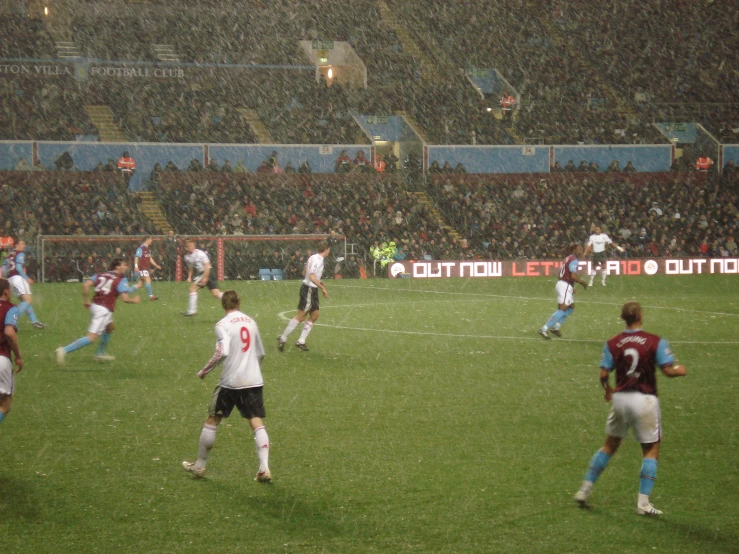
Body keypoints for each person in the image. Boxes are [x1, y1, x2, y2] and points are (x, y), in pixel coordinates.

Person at [574, 302, 687, 515]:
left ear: (623, 318)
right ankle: (643, 503)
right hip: (644, 399)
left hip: (621, 399)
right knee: (651, 449)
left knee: (609, 446)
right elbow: (668, 371)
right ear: (641, 316)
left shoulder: (613, 342)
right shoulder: (654, 341)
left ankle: (584, 490)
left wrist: (608, 390)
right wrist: (680, 370)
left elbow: (603, 374)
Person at [182, 290, 270, 481]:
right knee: (256, 421)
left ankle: (200, 465)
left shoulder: (222, 325)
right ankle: (264, 468)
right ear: (239, 303)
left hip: (231, 381)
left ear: (223, 305)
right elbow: (260, 353)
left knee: (213, 419)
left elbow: (222, 351)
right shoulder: (251, 322)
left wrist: (204, 371)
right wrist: (253, 370)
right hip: (253, 380)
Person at [56, 258, 141, 364]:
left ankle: (100, 353)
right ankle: (63, 350)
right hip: (103, 309)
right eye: (124, 265)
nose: (126, 267)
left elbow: (86, 285)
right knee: (91, 338)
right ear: (117, 267)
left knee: (110, 327)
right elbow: (125, 298)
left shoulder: (101, 274)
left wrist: (86, 300)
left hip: (96, 305)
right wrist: (134, 300)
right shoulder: (121, 279)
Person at [277, 241, 330, 352]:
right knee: (301, 316)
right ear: (326, 249)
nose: (329, 251)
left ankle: (301, 341)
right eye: (329, 249)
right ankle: (283, 338)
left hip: (311, 289)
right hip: (309, 290)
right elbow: (310, 276)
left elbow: (304, 272)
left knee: (315, 315)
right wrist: (322, 288)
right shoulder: (318, 260)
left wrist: (319, 282)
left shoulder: (313, 257)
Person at [538, 244, 588, 339]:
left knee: (571, 307)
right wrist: (582, 282)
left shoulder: (568, 258)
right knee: (563, 308)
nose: (581, 251)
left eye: (582, 249)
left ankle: (555, 327)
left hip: (564, 284)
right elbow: (573, 275)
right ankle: (544, 329)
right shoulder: (574, 260)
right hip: (564, 285)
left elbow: (564, 274)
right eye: (579, 249)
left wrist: (570, 287)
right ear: (574, 250)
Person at [6, 240, 45, 328]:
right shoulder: (20, 254)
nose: (24, 245)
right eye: (22, 244)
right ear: (16, 245)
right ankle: (12, 319)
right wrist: (26, 278)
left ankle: (35, 321)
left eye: (24, 243)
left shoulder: (9, 255)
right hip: (18, 278)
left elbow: (4, 268)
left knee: (25, 302)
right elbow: (19, 267)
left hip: (10, 279)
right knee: (28, 300)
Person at [0, 278, 23, 425]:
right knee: (6, 404)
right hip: (1, 358)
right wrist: (18, 356)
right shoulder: (10, 308)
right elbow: (9, 331)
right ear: (6, 292)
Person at [183, 239, 223, 316]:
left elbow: (207, 265)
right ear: (186, 247)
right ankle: (232, 299)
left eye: (192, 245)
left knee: (192, 289)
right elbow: (190, 267)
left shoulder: (200, 253)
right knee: (215, 293)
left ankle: (191, 311)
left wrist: (205, 278)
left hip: (207, 272)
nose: (192, 247)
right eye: (189, 246)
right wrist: (189, 277)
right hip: (203, 273)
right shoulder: (186, 257)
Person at [134, 236, 162, 301]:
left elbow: (150, 258)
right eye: (150, 239)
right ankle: (151, 296)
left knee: (140, 284)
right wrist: (136, 266)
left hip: (146, 268)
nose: (151, 241)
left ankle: (126, 291)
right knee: (148, 279)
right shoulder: (140, 248)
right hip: (142, 268)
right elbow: (136, 257)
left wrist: (156, 265)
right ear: (147, 240)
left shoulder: (148, 249)